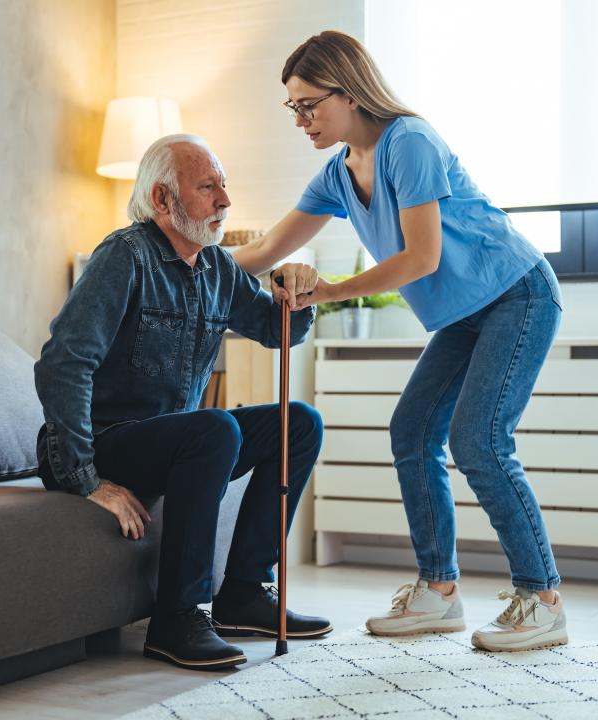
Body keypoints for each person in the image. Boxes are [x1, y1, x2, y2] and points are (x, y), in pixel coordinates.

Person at [231, 31, 568, 652]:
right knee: (411, 431)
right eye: (294, 108)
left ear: (350, 90)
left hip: (516, 294)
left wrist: (328, 291)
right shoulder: (338, 173)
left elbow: (422, 256)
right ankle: (438, 593)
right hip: (465, 317)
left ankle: (541, 600)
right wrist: (185, 258)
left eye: (310, 104)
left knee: (480, 442)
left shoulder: (408, 142)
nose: (301, 119)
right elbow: (263, 250)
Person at [34, 133, 332, 671]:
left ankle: (242, 593)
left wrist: (299, 292)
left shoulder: (216, 268)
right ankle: (176, 619)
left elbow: (275, 330)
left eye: (224, 186)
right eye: (207, 187)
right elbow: (62, 363)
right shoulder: (123, 257)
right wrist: (83, 477)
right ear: (163, 201)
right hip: (107, 443)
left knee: (300, 422)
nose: (224, 200)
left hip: (178, 439)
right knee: (213, 427)